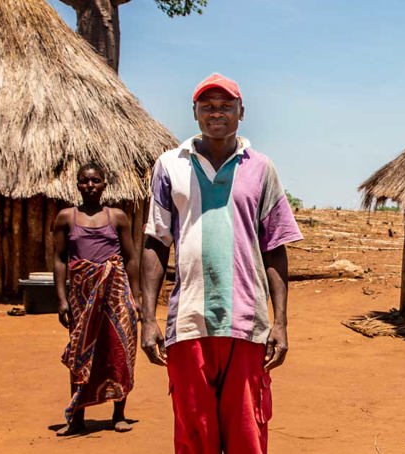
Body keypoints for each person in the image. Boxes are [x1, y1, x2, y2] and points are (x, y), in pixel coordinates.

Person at [139, 73, 304, 453]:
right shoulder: (169, 166)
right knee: (194, 435)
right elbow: (155, 242)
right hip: (188, 322)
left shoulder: (262, 168)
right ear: (194, 112)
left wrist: (279, 322)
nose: (217, 113)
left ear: (241, 112)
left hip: (246, 324)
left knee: (248, 435)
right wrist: (147, 319)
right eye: (208, 106)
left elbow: (275, 248)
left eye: (226, 106)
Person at [53, 162, 142, 435]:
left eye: (95, 181)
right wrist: (61, 299)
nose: (90, 185)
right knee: (81, 351)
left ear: (105, 184)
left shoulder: (118, 218)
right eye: (84, 181)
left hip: (115, 292)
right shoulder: (66, 218)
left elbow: (130, 258)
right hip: (82, 295)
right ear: (77, 185)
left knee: (119, 349)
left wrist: (134, 296)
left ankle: (119, 413)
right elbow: (59, 259)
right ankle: (77, 418)